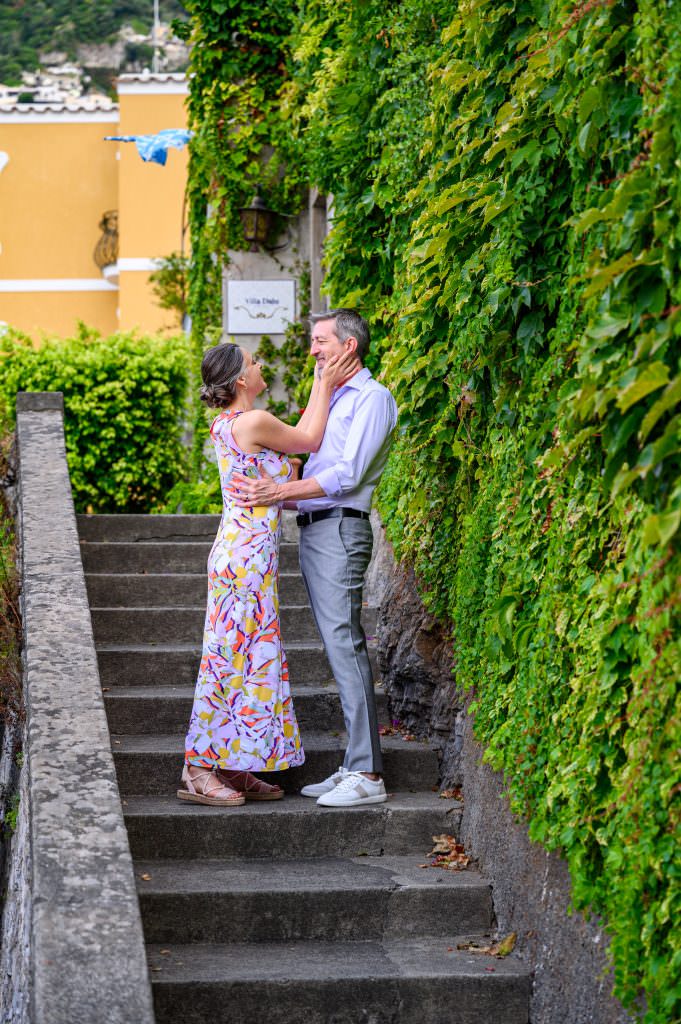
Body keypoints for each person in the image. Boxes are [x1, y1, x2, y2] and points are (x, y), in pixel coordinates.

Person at [230, 309, 398, 807]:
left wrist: (279, 490)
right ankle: (353, 763)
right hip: (315, 529)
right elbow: (309, 447)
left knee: (345, 645)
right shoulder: (336, 396)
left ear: (349, 346)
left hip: (340, 528)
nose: (313, 350)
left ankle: (368, 774)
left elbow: (347, 474)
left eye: (320, 341)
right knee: (337, 645)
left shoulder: (373, 398)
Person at [178, 340, 355, 806]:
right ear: (240, 379)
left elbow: (288, 463)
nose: (260, 367)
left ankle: (236, 764)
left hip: (247, 557)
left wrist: (282, 480)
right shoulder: (252, 421)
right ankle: (197, 767)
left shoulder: (230, 423)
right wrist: (324, 380)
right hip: (243, 560)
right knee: (228, 659)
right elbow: (310, 438)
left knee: (251, 660)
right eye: (255, 364)